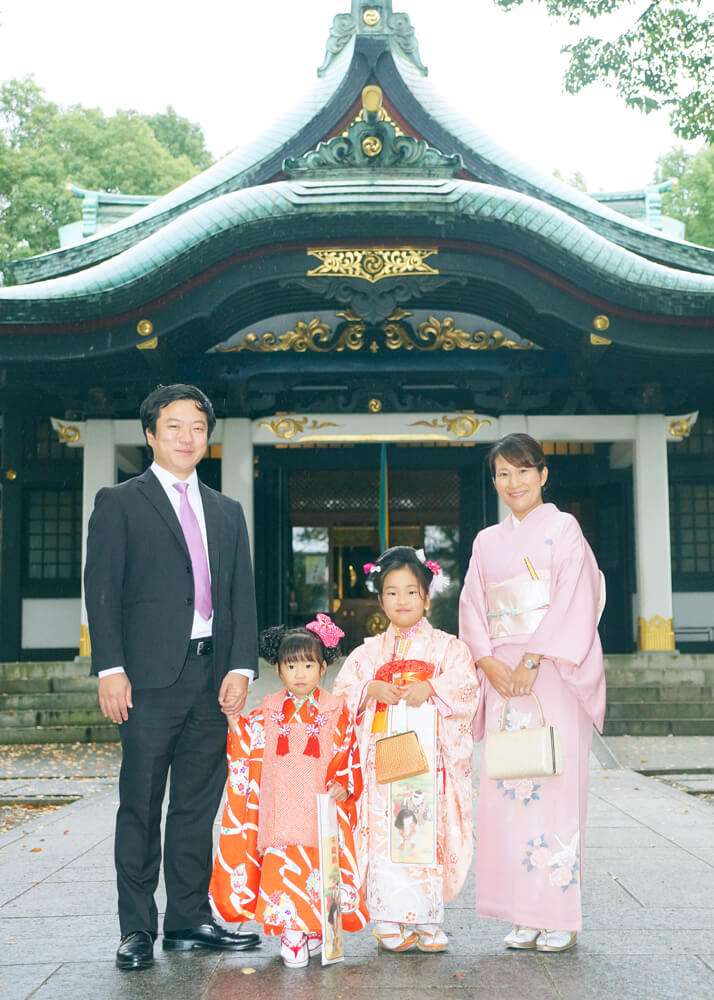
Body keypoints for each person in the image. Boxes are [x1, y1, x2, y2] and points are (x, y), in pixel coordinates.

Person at [84, 384, 260, 971]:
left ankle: (188, 920)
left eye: (197, 427)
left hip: (212, 676)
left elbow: (239, 595)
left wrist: (239, 665)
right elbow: (102, 591)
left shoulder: (227, 511)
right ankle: (136, 927)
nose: (188, 436)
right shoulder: (120, 501)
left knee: (196, 803)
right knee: (140, 802)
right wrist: (110, 667)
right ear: (152, 434)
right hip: (147, 679)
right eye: (175, 426)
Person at [459, 433, 606, 954]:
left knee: (556, 785)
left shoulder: (563, 529)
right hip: (502, 676)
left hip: (552, 672)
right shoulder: (485, 541)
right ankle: (521, 913)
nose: (512, 482)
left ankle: (557, 912)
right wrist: (487, 661)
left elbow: (576, 597)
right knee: (507, 790)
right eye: (502, 474)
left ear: (544, 475)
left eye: (522, 471)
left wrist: (532, 657)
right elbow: (472, 606)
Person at [332, 547, 479, 954]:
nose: (402, 601)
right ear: (380, 600)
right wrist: (369, 690)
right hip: (383, 764)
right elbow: (341, 695)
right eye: (392, 593)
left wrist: (432, 687)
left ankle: (427, 919)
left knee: (421, 833)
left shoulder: (449, 649)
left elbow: (467, 687)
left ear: (427, 597)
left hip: (429, 762)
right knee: (386, 836)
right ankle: (389, 920)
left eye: (411, 592)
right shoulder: (368, 653)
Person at [209, 614, 368, 969]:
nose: (300, 673)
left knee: (316, 865)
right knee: (283, 866)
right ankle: (291, 932)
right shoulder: (268, 711)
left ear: (323, 667)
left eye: (308, 664)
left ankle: (313, 927)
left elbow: (348, 750)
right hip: (280, 806)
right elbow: (247, 746)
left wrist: (344, 781)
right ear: (278, 671)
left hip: (318, 804)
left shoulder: (336, 711)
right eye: (291, 665)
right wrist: (235, 721)